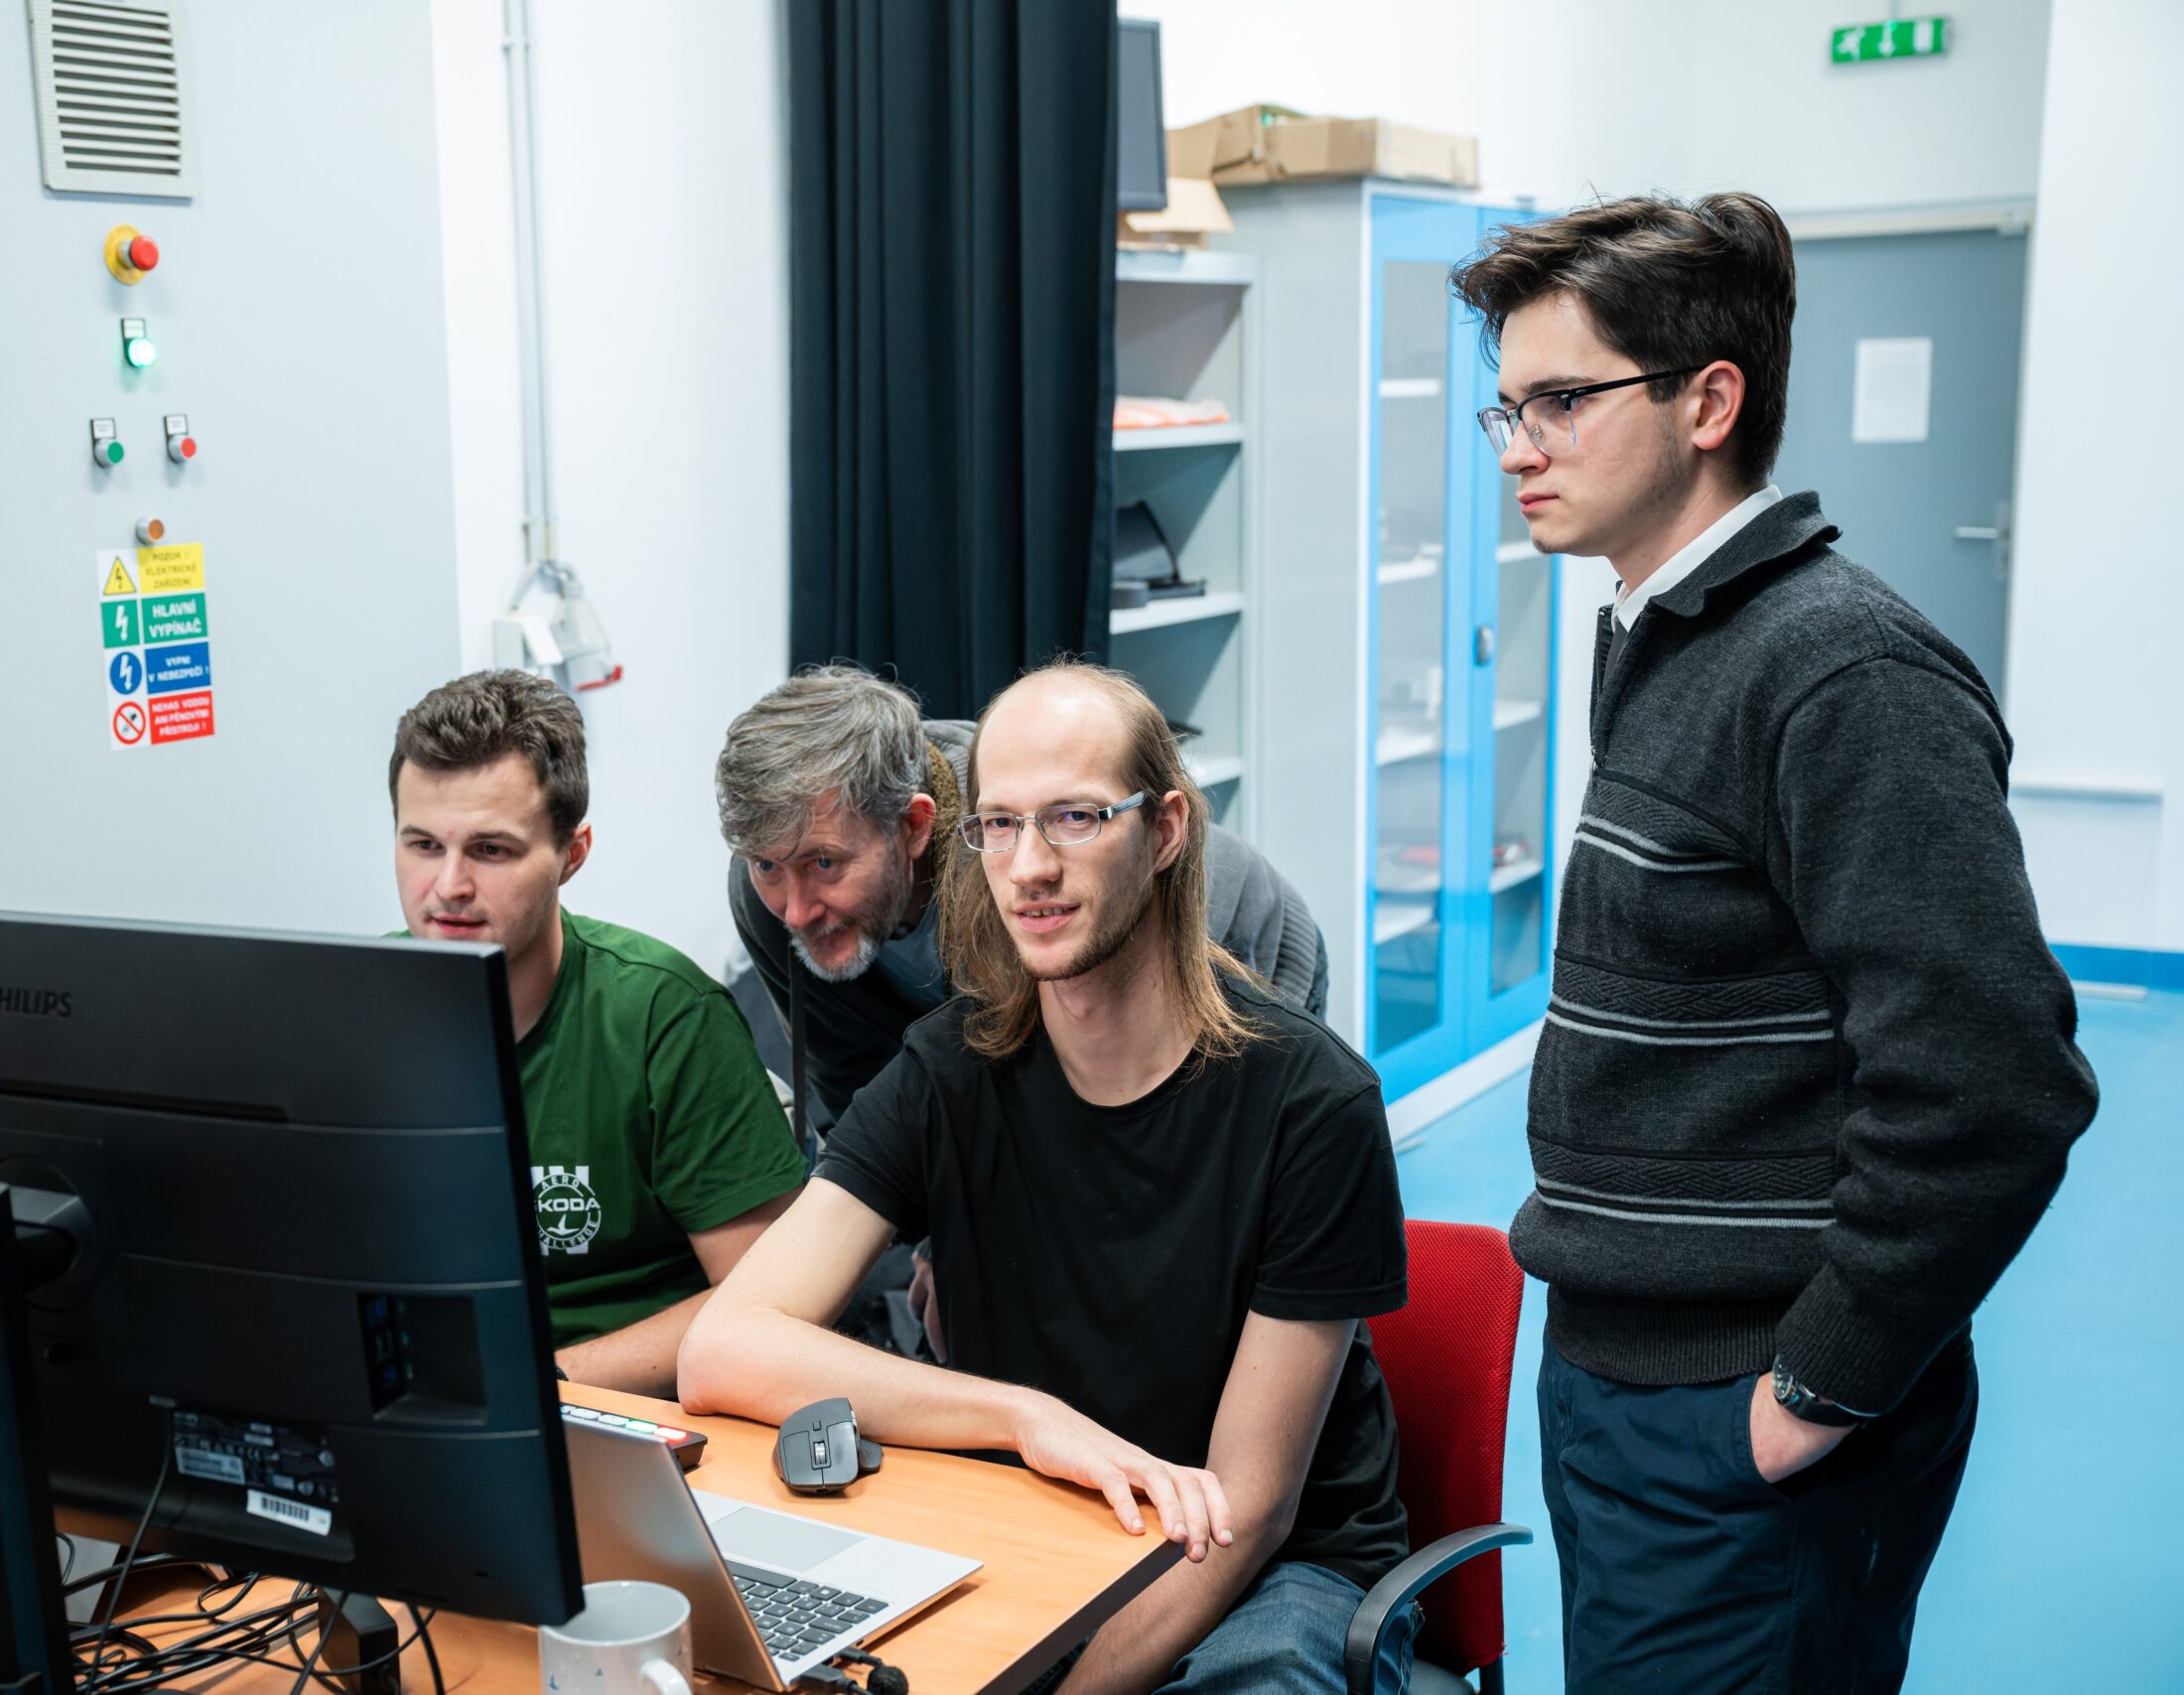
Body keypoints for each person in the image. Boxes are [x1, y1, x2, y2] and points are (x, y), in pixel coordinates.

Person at [1451, 193, 2098, 1691]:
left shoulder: (1840, 672)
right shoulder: (1668, 632)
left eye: (1562, 401)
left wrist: (1813, 1389)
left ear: (1708, 404)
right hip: (1618, 1371)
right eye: (1508, 407)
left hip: (1748, 1409)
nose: (1517, 448)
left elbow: (1995, 1085)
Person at [681, 660, 1415, 1694]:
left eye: (1075, 819)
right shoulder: (945, 1069)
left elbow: (1245, 1510)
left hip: (1268, 1565)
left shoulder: (1313, 1103)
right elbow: (722, 1348)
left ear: (1164, 830)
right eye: (1001, 825)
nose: (1029, 866)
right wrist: (1023, 1415)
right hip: (1047, 1511)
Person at [389, 669, 804, 1394]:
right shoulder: (352, 1006)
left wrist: (535, 1386)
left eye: (490, 850)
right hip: (412, 1397)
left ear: (572, 854)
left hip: (615, 1405)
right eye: (424, 845)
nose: (449, 886)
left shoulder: (665, 1017)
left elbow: (769, 1306)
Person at [716, 664, 1326, 1147]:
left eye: (824, 864)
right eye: (768, 866)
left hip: (1241, 946)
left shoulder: (1012, 866)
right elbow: (854, 1092)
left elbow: (1081, 1128)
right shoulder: (765, 890)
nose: (796, 911)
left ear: (914, 826)